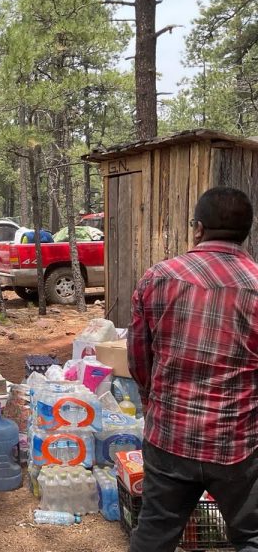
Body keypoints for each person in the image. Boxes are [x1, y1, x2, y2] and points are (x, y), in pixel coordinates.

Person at [128, 186, 258, 552]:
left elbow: (139, 359)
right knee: (251, 537)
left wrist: (151, 402)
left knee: (154, 534)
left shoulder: (158, 278)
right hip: (238, 442)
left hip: (170, 436)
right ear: (246, 232)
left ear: (198, 228)